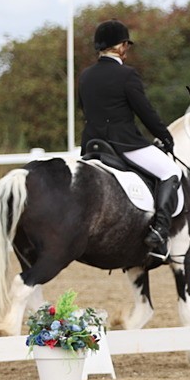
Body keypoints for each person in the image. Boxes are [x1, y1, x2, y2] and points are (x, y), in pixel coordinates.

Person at [78, 19, 181, 255]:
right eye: (127, 46)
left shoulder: (85, 76)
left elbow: (84, 108)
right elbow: (145, 111)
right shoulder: (127, 74)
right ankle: (159, 230)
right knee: (170, 172)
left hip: (92, 144)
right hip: (123, 143)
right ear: (122, 46)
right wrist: (164, 136)